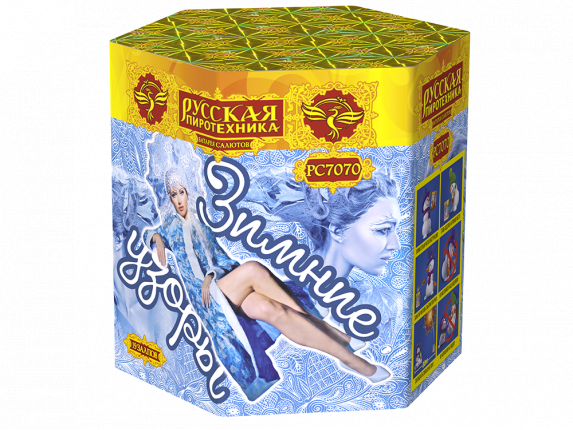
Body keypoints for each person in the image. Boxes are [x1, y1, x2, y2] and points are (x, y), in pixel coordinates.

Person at [144, 167, 390, 400]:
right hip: (207, 300)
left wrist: (211, 274)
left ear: (188, 193)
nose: (179, 199)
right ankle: (330, 333)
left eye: (181, 192)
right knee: (252, 268)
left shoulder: (202, 227)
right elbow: (143, 235)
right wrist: (154, 236)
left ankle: (348, 359)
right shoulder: (170, 227)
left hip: (222, 286)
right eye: (173, 194)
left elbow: (221, 260)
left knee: (273, 309)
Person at [245, 170, 402, 330]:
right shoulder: (277, 295)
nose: (396, 245)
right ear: (338, 231)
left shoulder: (371, 301)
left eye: (395, 230)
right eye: (383, 230)